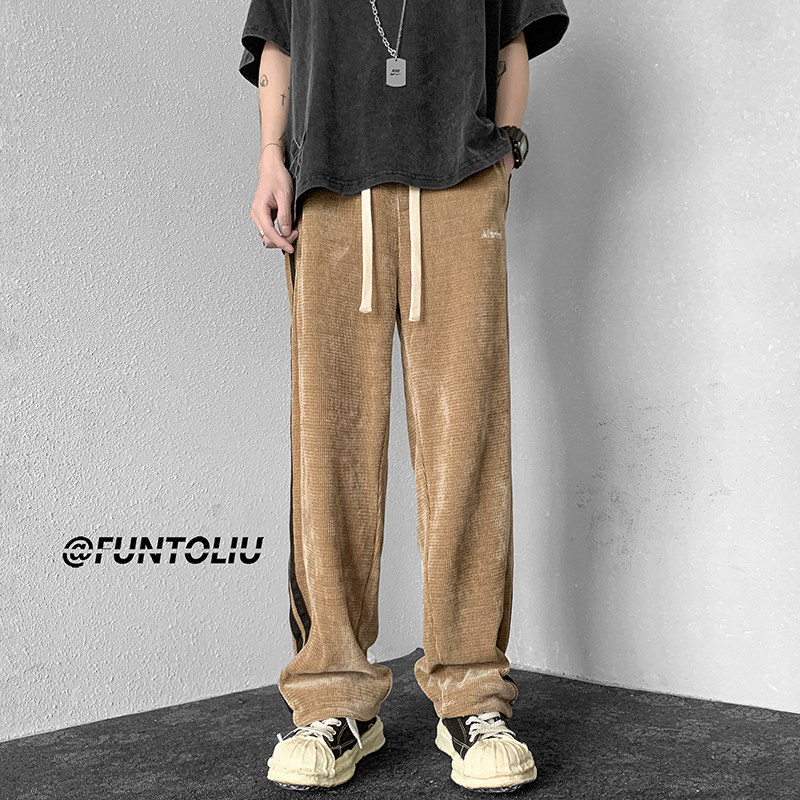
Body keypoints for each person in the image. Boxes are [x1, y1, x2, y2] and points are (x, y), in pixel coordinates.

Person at [237, 0, 569, 791]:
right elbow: (279, 40)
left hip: (458, 184)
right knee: (329, 446)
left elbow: (511, 34)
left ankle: (472, 696)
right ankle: (334, 700)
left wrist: (503, 154)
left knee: (468, 442)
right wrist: (270, 158)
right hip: (328, 188)